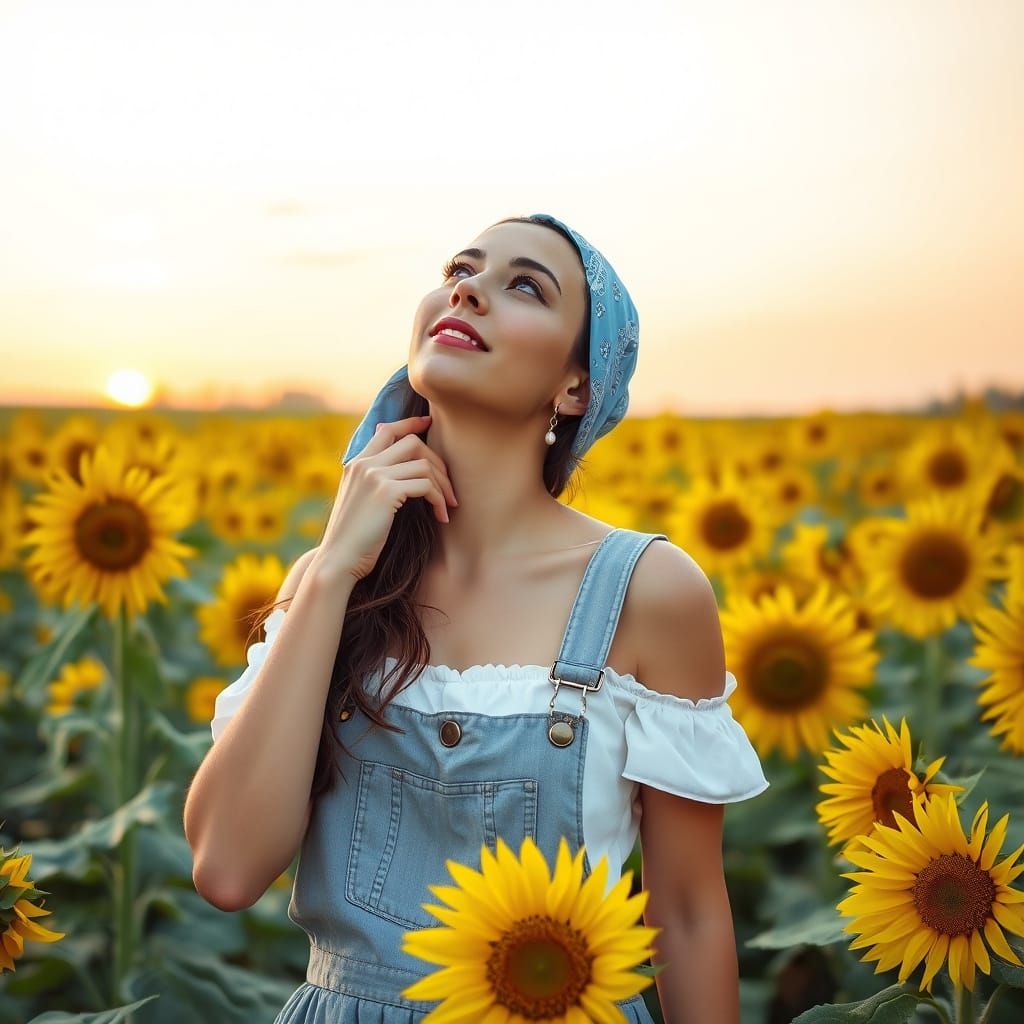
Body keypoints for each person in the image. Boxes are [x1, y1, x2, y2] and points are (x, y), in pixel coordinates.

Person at [184, 213, 770, 1023]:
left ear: (576, 385)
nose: (468, 288)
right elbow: (225, 869)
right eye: (461, 269)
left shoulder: (650, 591)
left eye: (524, 285)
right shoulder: (336, 582)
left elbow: (691, 914)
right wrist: (329, 576)